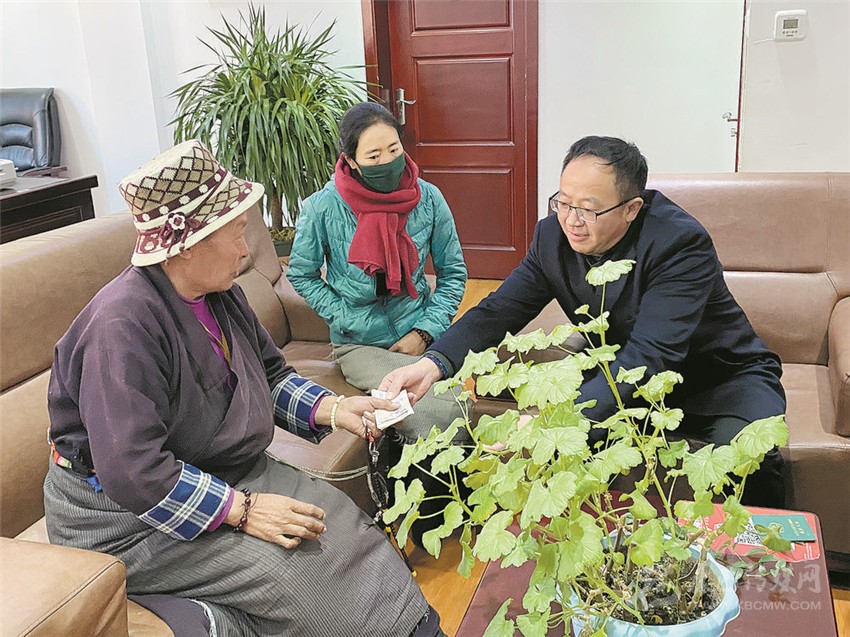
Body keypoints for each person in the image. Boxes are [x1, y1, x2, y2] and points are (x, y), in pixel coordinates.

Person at [44, 140, 445, 637]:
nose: (246, 250)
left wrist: (337, 409)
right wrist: (244, 509)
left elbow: (269, 376)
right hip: (124, 518)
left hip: (210, 466)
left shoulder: (220, 295)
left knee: (337, 521)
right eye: (235, 233)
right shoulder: (120, 327)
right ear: (187, 244)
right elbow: (132, 471)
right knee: (295, 571)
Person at [380, 135, 787, 508]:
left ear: (631, 209)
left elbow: (652, 355)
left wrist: (554, 421)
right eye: (563, 202)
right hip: (618, 376)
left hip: (720, 380)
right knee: (567, 473)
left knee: (746, 458)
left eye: (588, 209)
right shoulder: (552, 238)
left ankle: (764, 562)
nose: (571, 220)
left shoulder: (678, 243)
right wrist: (432, 364)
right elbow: (499, 310)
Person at [287, 102, 468, 446]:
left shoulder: (429, 198)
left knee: (458, 404)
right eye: (374, 156)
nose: (388, 161)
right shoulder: (321, 207)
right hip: (359, 343)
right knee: (431, 414)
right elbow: (302, 274)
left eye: (394, 149)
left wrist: (425, 331)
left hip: (419, 330)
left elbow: (453, 273)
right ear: (351, 160)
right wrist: (345, 317)